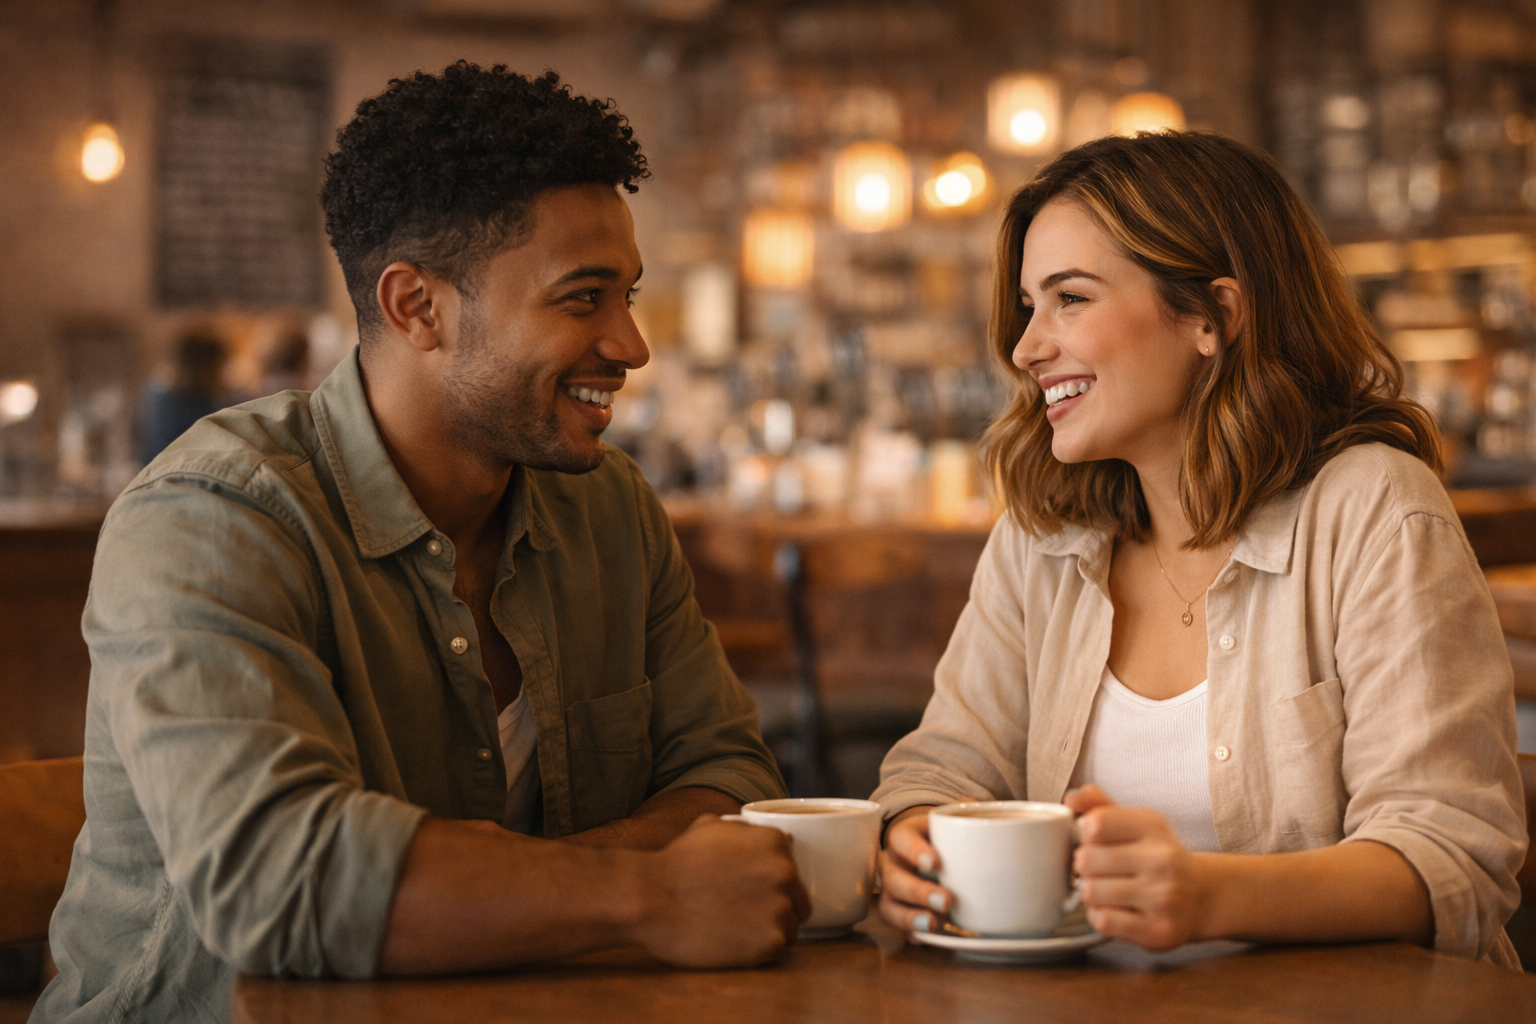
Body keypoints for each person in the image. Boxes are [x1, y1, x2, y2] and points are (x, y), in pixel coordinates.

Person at [35, 63, 806, 1024]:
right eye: (583, 298)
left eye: (629, 296)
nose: (632, 344)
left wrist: (487, 890)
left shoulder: (609, 510)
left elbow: (730, 781)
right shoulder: (211, 521)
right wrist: (649, 895)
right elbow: (280, 881)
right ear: (416, 307)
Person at [873, 130, 1526, 967]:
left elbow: (1452, 861)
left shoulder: (1374, 510)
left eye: (1070, 298)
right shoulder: (1042, 536)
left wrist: (1209, 894)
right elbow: (941, 768)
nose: (1026, 346)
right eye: (1030, 305)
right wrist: (913, 837)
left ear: (1212, 316)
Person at [138, 330, 228, 463]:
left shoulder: (155, 393)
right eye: (218, 368)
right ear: (205, 367)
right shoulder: (197, 407)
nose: (220, 376)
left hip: (152, 476)